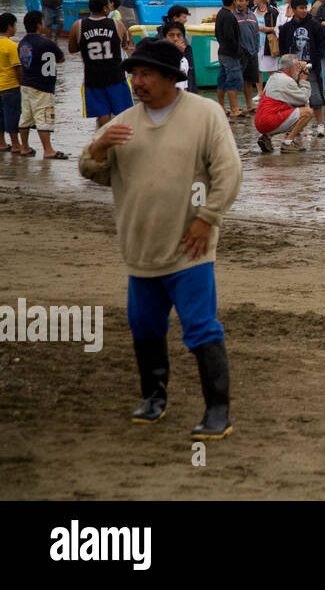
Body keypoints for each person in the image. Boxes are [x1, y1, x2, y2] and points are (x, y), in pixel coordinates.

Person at [78, 37, 242, 441]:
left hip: (190, 248)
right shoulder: (123, 123)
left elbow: (229, 173)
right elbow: (92, 172)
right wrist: (97, 147)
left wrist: (207, 218)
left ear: (171, 78)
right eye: (134, 74)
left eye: (147, 73)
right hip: (139, 250)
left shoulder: (205, 114)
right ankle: (154, 398)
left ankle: (217, 410)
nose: (138, 81)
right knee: (144, 327)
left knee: (201, 329)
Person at [68, 0, 133, 128]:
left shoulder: (78, 26)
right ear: (105, 8)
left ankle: (103, 140)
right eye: (109, 5)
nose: (111, 7)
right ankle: (121, 143)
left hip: (93, 77)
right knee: (123, 113)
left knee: (103, 114)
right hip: (116, 76)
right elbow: (124, 46)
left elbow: (72, 49)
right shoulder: (118, 25)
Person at [17, 12, 66, 159]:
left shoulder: (22, 43)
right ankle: (48, 150)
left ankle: (24, 147)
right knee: (44, 117)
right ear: (39, 24)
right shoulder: (47, 43)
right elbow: (61, 58)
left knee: (25, 117)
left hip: (26, 84)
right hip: (43, 86)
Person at [277, 0, 325, 137]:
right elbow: (283, 49)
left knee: (315, 97)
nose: (304, 10)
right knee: (292, 99)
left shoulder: (315, 25)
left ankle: (319, 125)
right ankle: (295, 126)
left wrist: (312, 64)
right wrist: (289, 66)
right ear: (293, 9)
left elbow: (322, 46)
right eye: (301, 8)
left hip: (310, 67)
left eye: (306, 8)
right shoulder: (286, 28)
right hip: (291, 70)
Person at [254, 55, 313, 153]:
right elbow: (304, 99)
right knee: (307, 112)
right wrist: (303, 80)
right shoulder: (286, 80)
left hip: (260, 121)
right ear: (291, 68)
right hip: (268, 121)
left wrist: (298, 75)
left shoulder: (274, 76)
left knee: (288, 107)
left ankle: (266, 137)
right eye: (298, 67)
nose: (299, 70)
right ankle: (288, 143)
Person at [212, 0, 244, 118]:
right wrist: (237, 50)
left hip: (222, 51)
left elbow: (217, 34)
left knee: (222, 79)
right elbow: (230, 36)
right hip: (230, 53)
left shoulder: (220, 13)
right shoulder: (229, 16)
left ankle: (221, 106)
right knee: (233, 80)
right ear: (233, 1)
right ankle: (235, 109)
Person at [0, 13, 22, 154]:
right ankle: (15, 144)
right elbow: (17, 69)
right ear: (9, 27)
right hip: (10, 86)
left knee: (0, 116)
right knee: (12, 116)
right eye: (15, 25)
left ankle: (1, 143)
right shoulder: (12, 46)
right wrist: (23, 85)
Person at [159, 21, 196, 93]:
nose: (175, 39)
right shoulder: (158, 58)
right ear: (164, 38)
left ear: (183, 38)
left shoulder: (184, 60)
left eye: (179, 35)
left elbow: (185, 86)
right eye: (171, 35)